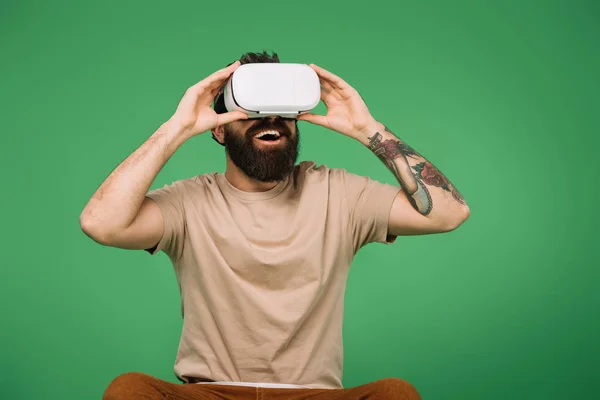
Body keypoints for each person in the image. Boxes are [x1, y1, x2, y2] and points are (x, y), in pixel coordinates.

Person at [80, 51, 470, 399]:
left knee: (394, 394)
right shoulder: (188, 201)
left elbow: (449, 213)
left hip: (313, 395)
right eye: (251, 109)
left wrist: (368, 130)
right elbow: (102, 224)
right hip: (211, 394)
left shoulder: (339, 193)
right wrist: (177, 127)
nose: (269, 119)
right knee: (129, 389)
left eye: (282, 110)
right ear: (218, 128)